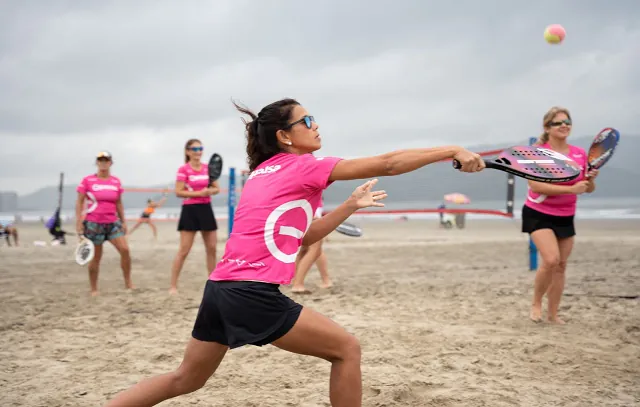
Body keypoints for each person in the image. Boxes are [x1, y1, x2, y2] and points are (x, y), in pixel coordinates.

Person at [103, 98, 484, 407]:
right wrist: (449, 150)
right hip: (251, 292)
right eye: (307, 120)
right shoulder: (305, 167)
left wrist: (348, 206)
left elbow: (299, 238)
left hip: (220, 289)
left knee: (186, 379)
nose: (316, 125)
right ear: (285, 136)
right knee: (346, 349)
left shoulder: (262, 173)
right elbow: (387, 163)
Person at [522, 106, 597, 324]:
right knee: (551, 259)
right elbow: (536, 186)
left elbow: (588, 189)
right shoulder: (536, 153)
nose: (564, 125)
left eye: (567, 121)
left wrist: (590, 181)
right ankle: (536, 303)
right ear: (547, 127)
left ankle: (553, 314)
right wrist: (571, 190)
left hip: (566, 214)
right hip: (538, 212)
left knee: (561, 266)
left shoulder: (580, 154)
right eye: (558, 123)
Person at [75, 151, 133, 296]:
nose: (103, 163)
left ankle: (128, 283)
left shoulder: (115, 181)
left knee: (125, 250)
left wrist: (123, 221)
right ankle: (94, 288)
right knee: (96, 257)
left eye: (106, 160)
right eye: (100, 160)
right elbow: (79, 201)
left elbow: (118, 202)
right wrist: (79, 222)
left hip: (112, 222)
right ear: (97, 163)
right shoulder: (88, 181)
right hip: (94, 223)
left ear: (110, 163)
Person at [169, 139, 220, 294]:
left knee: (212, 248)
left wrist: (210, 191)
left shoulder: (208, 168)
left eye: (200, 148)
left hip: (206, 208)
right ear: (187, 151)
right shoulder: (183, 169)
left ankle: (213, 282)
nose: (198, 151)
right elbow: (178, 192)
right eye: (194, 148)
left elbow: (216, 188)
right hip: (190, 210)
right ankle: (173, 285)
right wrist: (199, 193)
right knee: (184, 250)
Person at [292, 195, 333, 293]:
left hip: (302, 210)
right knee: (315, 249)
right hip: (309, 211)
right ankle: (298, 284)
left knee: (306, 249)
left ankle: (294, 279)